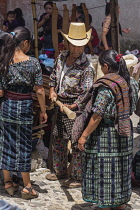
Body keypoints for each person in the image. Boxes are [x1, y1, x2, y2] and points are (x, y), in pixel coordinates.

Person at [76, 50, 139, 209]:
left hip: (107, 133)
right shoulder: (131, 82)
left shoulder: (106, 86)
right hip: (125, 131)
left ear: (105, 66)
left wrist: (83, 136)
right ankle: (119, 204)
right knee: (120, 168)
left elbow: (97, 116)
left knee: (105, 170)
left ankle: (105, 204)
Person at [0, 27, 47, 199]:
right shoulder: (33, 63)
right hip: (24, 107)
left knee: (6, 142)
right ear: (26, 43)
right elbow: (40, 91)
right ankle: (27, 186)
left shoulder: (4, 60)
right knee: (23, 144)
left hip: (7, 107)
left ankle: (8, 183)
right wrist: (43, 110)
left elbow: (0, 92)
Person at [46, 22, 94, 188]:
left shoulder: (87, 66)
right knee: (58, 139)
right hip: (60, 104)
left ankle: (76, 176)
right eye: (73, 46)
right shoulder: (61, 57)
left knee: (76, 143)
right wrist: (52, 91)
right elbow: (53, 77)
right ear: (68, 44)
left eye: (80, 47)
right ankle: (59, 171)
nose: (76, 50)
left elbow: (87, 93)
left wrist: (73, 106)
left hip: (76, 108)